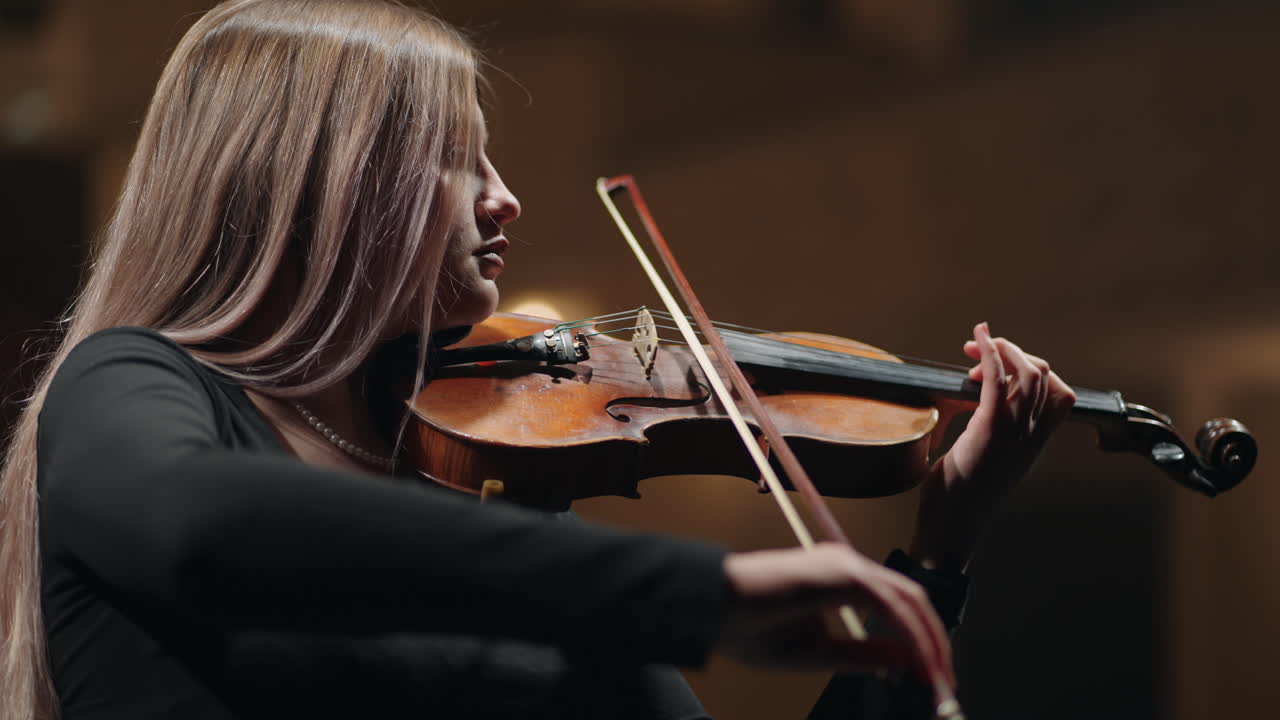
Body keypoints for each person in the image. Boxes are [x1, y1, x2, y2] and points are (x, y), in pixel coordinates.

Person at [0, 1, 1076, 718]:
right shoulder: (136, 387)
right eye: (454, 158)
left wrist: (936, 557)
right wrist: (698, 591)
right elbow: (208, 528)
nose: (503, 195)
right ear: (315, 177)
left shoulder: (489, 486)